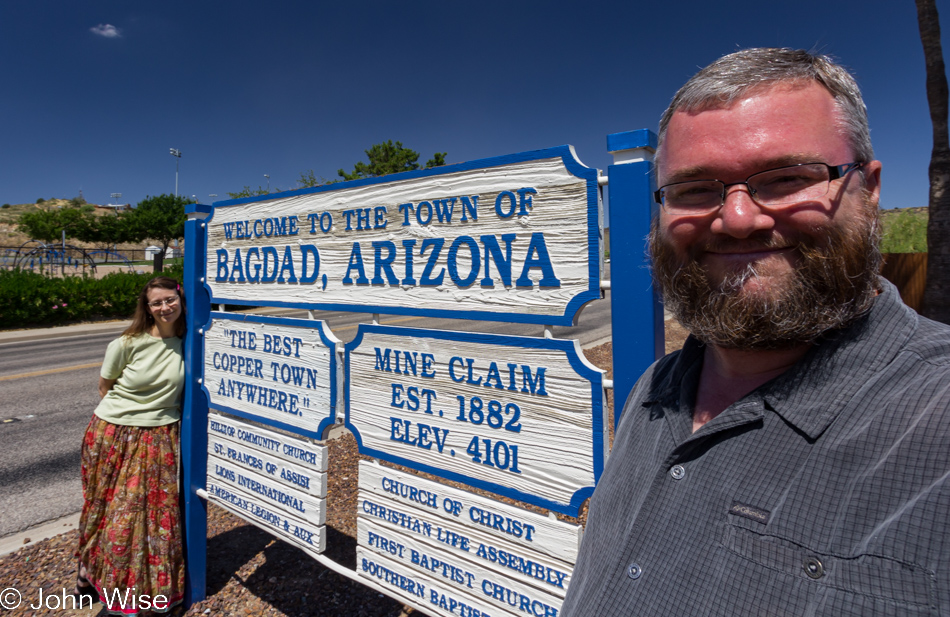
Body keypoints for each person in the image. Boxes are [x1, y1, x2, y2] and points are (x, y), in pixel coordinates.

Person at [561, 48, 950, 616]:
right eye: (694, 188)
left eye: (788, 177)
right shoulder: (655, 388)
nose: (738, 218)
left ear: (868, 190)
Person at [76, 276, 186, 615]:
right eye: (157, 303)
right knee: (104, 509)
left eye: (170, 299)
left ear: (181, 300)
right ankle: (90, 574)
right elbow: (104, 387)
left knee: (149, 517)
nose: (165, 307)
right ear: (147, 308)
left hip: (159, 435)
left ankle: (137, 592)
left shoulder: (191, 342)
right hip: (112, 433)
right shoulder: (126, 343)